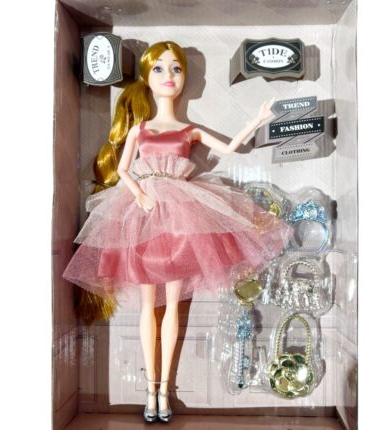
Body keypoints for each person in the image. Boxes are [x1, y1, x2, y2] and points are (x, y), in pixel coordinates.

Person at [62, 41, 291, 423]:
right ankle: (149, 390)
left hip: (182, 215)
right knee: (147, 308)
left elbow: (230, 147)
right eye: (159, 68)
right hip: (143, 216)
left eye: (176, 68)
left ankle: (164, 390)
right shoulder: (140, 128)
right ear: (146, 77)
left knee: (171, 307)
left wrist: (257, 119)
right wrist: (138, 194)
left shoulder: (189, 130)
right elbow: (123, 170)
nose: (169, 76)